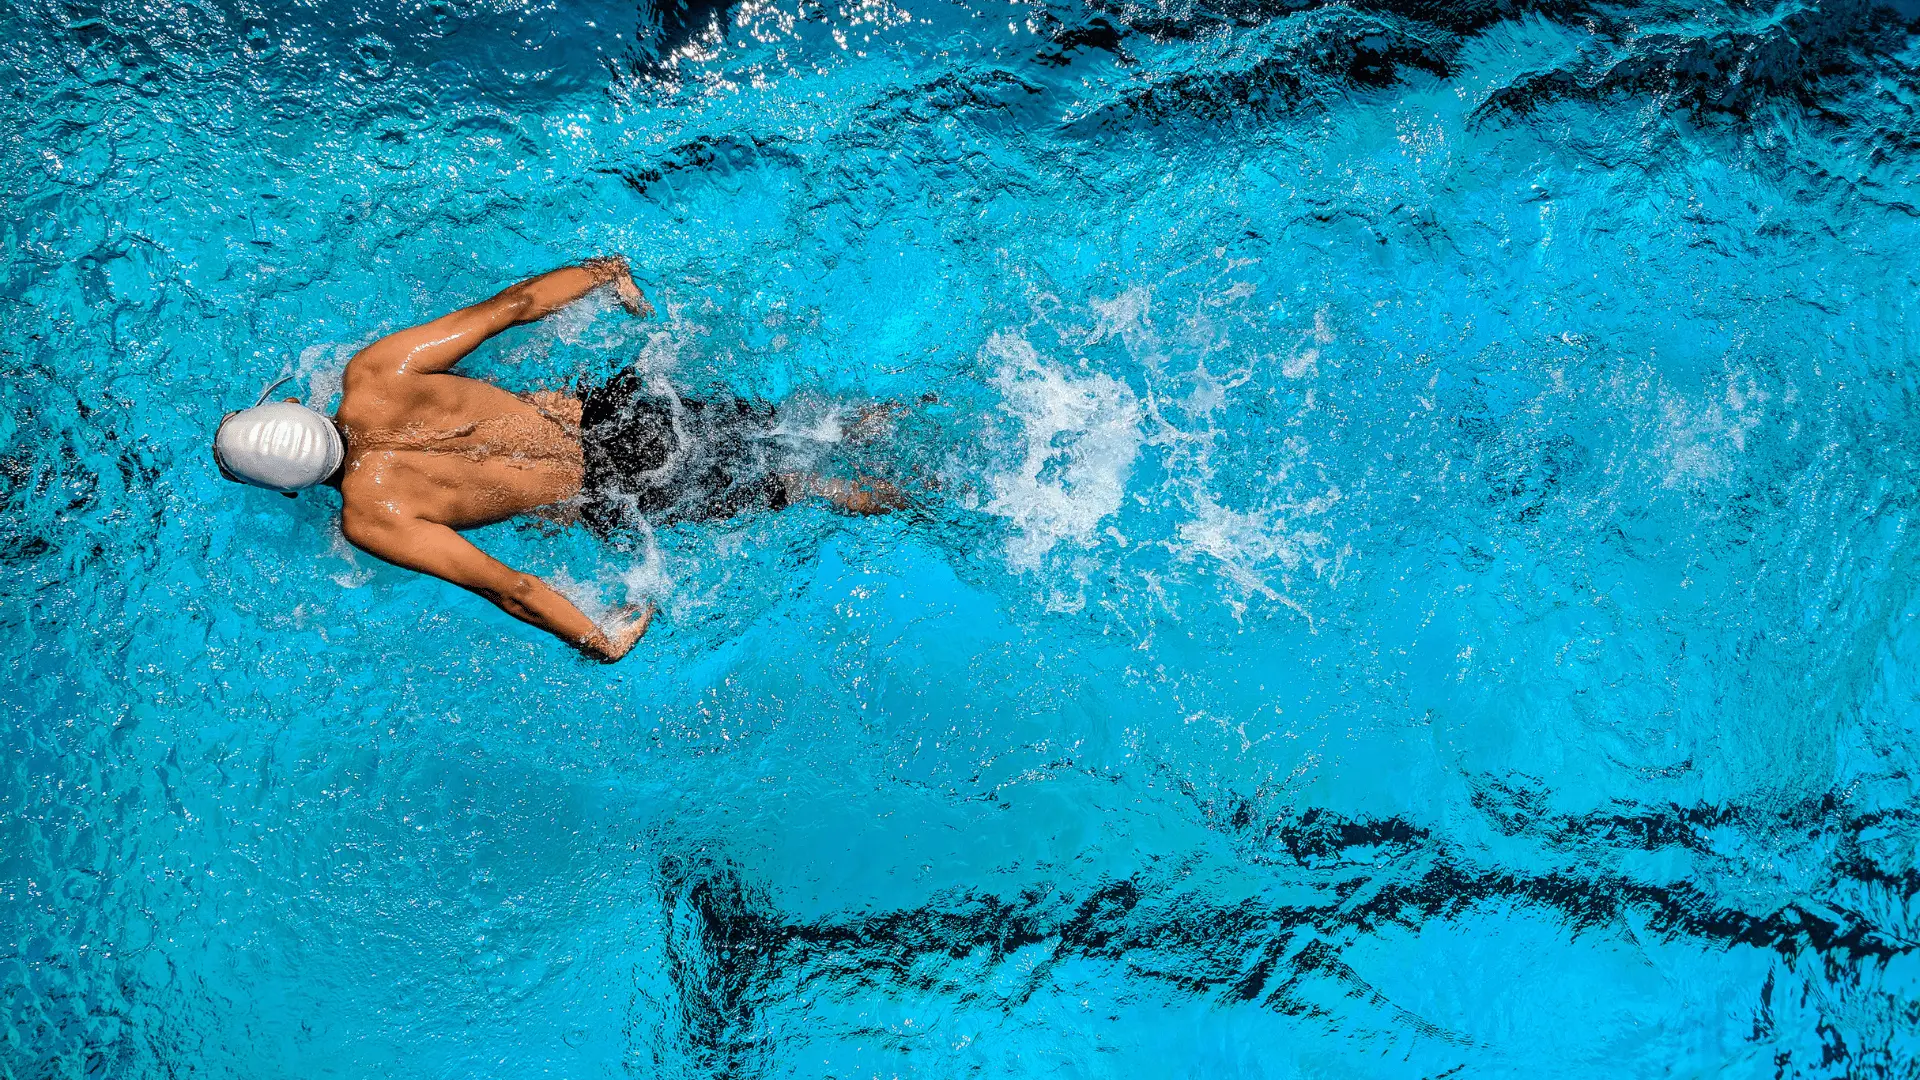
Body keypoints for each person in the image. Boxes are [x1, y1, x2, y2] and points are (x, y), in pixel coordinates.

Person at [211, 257, 901, 661]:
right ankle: (901, 415)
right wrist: (602, 273)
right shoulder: (375, 373)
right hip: (623, 414)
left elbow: (506, 586)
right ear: (295, 405)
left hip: (615, 490)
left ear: (288, 489)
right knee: (803, 425)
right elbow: (511, 306)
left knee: (800, 487)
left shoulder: (371, 518)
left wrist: (596, 639)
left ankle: (926, 497)